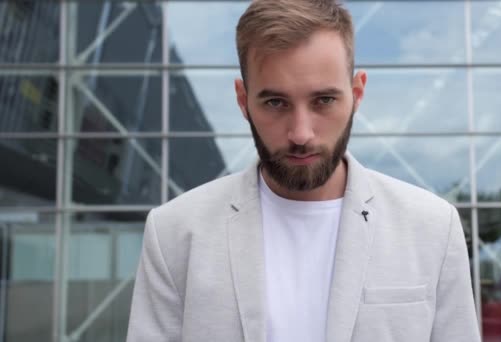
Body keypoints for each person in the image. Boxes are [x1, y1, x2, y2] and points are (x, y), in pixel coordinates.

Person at [126, 1, 480, 341]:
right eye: (275, 102)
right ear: (242, 100)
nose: (300, 133)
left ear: (357, 94)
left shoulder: (431, 227)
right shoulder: (174, 232)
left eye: (323, 100)